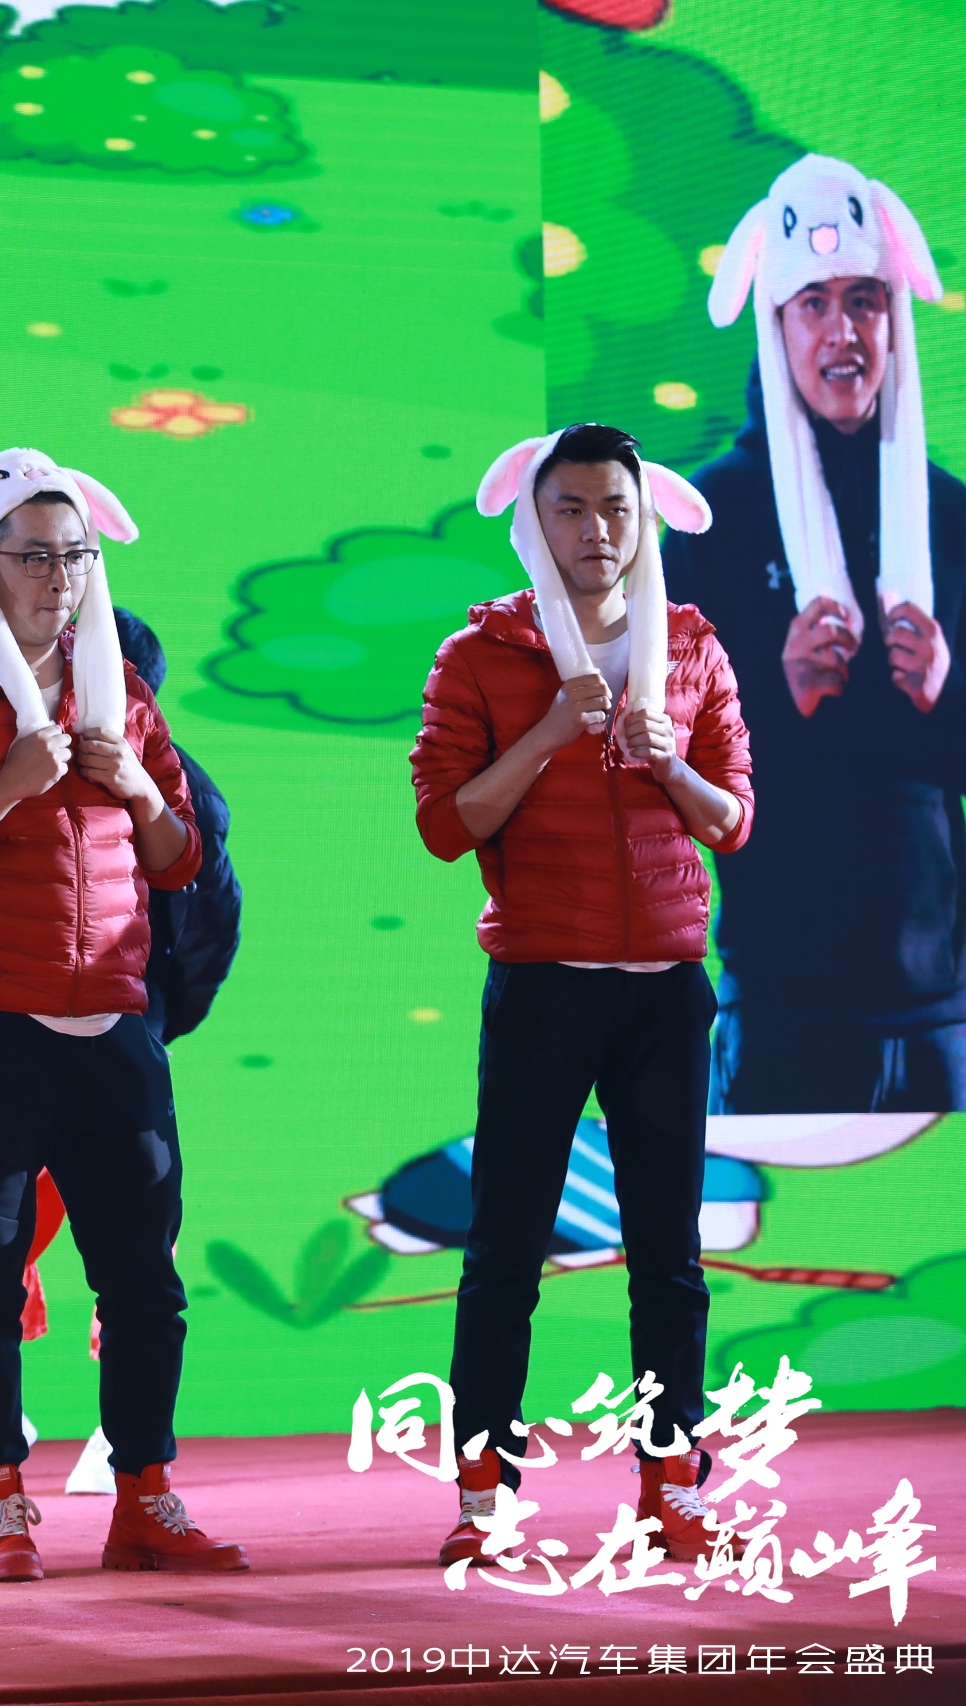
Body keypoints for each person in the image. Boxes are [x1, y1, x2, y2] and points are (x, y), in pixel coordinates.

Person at [0, 446, 246, 1583]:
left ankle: (145, 1496)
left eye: (74, 556)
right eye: (32, 556)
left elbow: (179, 859)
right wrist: (6, 788)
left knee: (144, 1281)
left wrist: (137, 784)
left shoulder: (118, 689)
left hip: (115, 1021)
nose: (58, 578)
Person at [413, 424, 751, 1567]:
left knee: (668, 1257)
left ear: (642, 516)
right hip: (541, 983)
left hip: (665, 989)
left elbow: (733, 819)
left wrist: (669, 763)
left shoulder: (690, 645)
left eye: (615, 506)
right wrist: (552, 731)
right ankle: (483, 1492)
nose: (596, 529)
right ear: (533, 519)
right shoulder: (479, 656)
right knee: (504, 1250)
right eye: (571, 507)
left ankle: (670, 1482)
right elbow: (443, 825)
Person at [674, 155, 965, 1113]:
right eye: (814, 304)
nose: (844, 332)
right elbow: (659, 765)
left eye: (864, 301)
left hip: (942, 1002)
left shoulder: (951, 515)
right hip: (781, 998)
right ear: (776, 322)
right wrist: (774, 692)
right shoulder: (710, 519)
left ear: (894, 317)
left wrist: (946, 690)